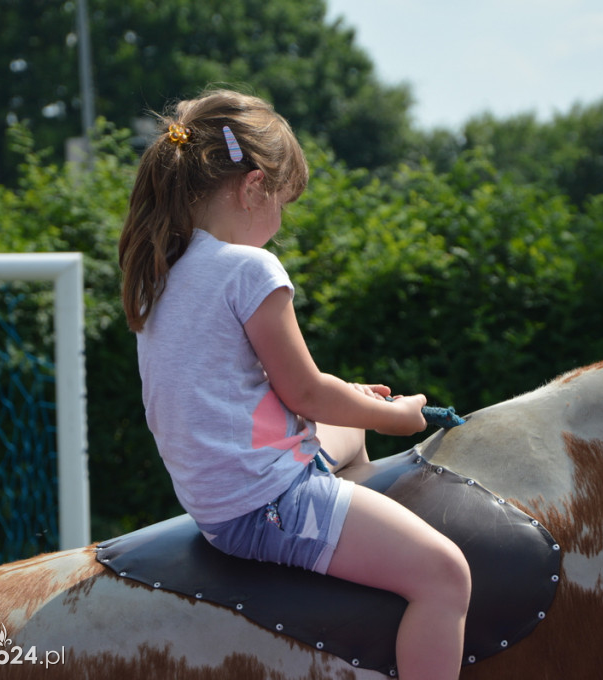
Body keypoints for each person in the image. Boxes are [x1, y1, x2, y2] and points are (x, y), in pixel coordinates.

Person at [118, 89, 471, 680]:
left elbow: (262, 392)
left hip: (217, 499)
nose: (280, 222)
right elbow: (304, 392)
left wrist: (353, 404)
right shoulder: (249, 269)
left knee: (350, 432)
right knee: (445, 576)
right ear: (253, 187)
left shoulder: (163, 270)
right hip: (270, 503)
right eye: (283, 202)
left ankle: (351, 529)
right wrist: (400, 416)